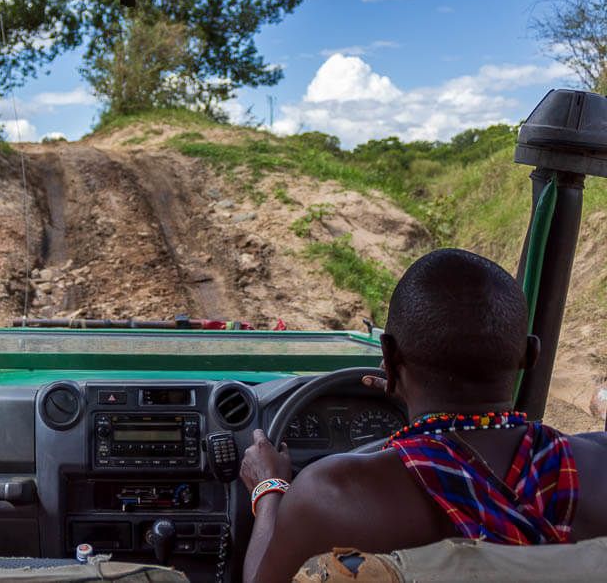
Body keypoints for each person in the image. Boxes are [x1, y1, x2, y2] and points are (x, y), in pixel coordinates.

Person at [240, 249, 607, 583]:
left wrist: (269, 488)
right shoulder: (599, 465)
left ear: (387, 352)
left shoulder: (332, 493)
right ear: (530, 354)